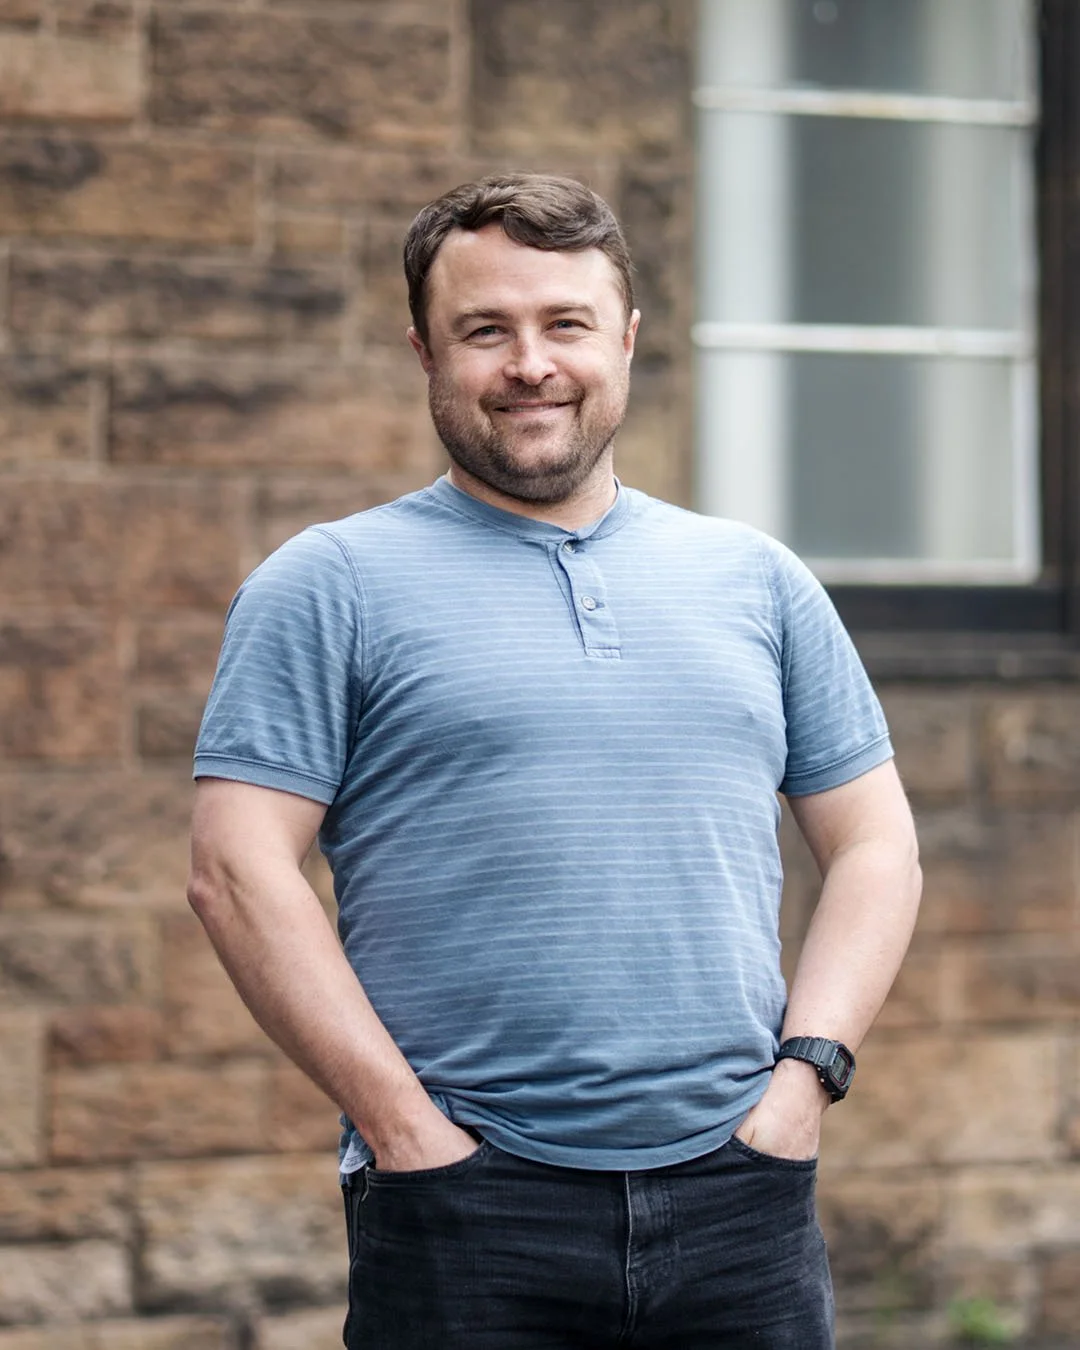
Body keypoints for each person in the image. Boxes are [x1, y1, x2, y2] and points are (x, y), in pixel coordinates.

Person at [188, 173, 922, 1349]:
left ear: (624, 339)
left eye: (565, 324)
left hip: (743, 1199)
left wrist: (804, 1085)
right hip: (466, 1206)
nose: (531, 364)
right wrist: (405, 1132)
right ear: (426, 352)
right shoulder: (329, 585)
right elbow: (235, 872)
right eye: (486, 330)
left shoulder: (757, 580)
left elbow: (876, 843)